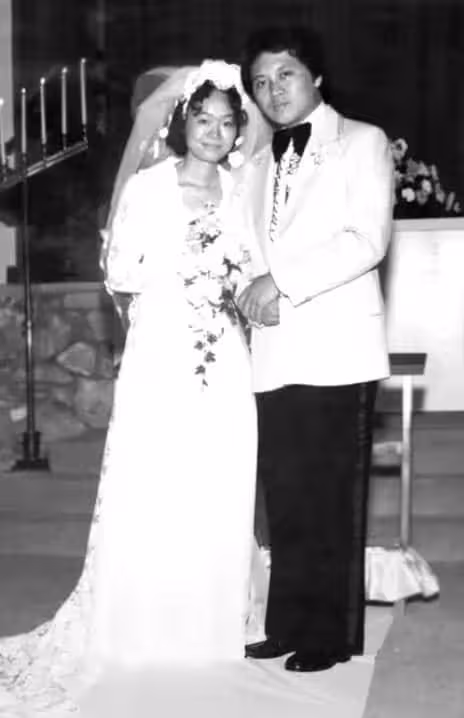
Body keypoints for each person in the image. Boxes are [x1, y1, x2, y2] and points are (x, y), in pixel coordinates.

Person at [0, 61, 266, 717]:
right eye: (202, 119)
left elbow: (255, 269)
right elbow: (120, 270)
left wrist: (230, 283)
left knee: (219, 476)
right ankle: (143, 624)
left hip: (225, 357)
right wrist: (181, 275)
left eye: (225, 123)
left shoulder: (243, 189)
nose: (213, 133)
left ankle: (210, 625)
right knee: (154, 477)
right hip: (160, 350)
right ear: (182, 122)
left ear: (237, 130)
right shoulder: (148, 187)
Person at [236, 26, 394, 673]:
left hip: (338, 348)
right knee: (287, 497)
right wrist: (243, 290)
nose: (273, 90)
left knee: (331, 498)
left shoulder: (362, 141)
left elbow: (367, 239)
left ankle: (329, 635)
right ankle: (288, 624)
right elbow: (246, 254)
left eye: (286, 74)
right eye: (261, 81)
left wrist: (280, 281)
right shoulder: (254, 164)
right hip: (273, 351)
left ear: (316, 77)